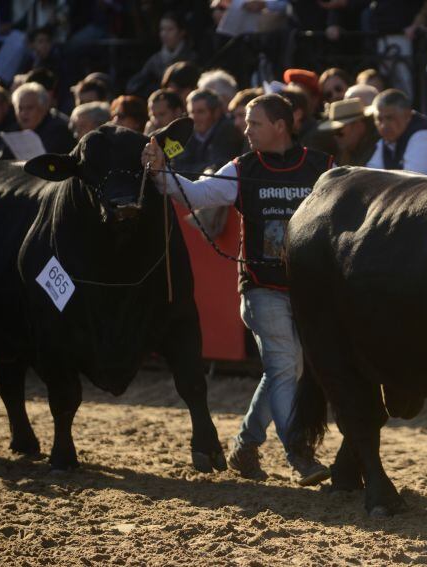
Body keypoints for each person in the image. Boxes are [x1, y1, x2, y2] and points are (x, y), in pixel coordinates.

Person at [140, 94, 332, 485]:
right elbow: (195, 194)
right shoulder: (243, 167)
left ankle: (245, 446)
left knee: (284, 369)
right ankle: (300, 454)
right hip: (262, 289)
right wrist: (161, 173)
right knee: (284, 366)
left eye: (254, 123)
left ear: (281, 125)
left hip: (309, 290)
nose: (246, 130)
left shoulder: (322, 167)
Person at [366, 88, 427, 175]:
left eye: (390, 118)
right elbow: (371, 176)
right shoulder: (387, 140)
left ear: (407, 115)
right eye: (379, 119)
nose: (383, 125)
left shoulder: (425, 137)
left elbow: (413, 182)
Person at [171, 89, 242, 177]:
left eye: (201, 112)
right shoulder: (187, 132)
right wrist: (203, 168)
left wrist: (194, 169)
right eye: (192, 112)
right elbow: (176, 166)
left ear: (216, 112)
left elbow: (218, 167)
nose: (194, 118)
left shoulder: (228, 130)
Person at [126, 12, 196, 98]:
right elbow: (136, 84)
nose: (164, 34)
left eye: (170, 29)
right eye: (162, 29)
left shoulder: (191, 58)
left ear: (182, 32)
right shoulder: (155, 60)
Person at [11, 82, 74, 154]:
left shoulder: (59, 132)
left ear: (43, 107)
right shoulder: (13, 130)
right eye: (20, 108)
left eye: (29, 108)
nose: (23, 113)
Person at [318, 97, 379, 166]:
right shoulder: (344, 155)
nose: (336, 136)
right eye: (333, 132)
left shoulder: (379, 149)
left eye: (339, 130)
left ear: (359, 126)